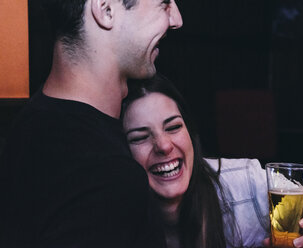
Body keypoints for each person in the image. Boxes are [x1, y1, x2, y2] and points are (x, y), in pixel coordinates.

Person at [0, 0, 182, 247]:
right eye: (163, 4)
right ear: (106, 10)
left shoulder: (34, 125)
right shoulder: (100, 174)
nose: (176, 20)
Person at [121, 74, 303, 248]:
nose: (164, 146)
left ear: (191, 133)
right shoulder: (109, 213)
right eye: (140, 137)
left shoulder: (242, 180)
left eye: (174, 127)